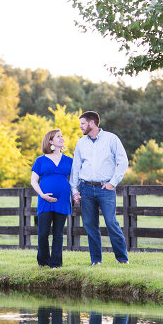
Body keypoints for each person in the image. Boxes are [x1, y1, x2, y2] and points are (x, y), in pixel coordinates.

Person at [69, 111, 130, 265]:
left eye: (82, 123)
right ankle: (96, 261)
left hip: (106, 189)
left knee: (111, 222)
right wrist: (75, 190)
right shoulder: (81, 143)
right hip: (86, 188)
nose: (80, 126)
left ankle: (122, 259)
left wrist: (113, 182)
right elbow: (76, 168)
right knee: (90, 225)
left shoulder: (111, 139)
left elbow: (123, 162)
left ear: (92, 123)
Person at [31, 129, 73, 267]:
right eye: (58, 136)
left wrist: (75, 194)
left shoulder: (69, 160)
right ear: (50, 141)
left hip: (62, 201)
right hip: (44, 200)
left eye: (62, 136)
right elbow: (33, 181)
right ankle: (43, 262)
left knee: (58, 234)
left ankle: (56, 263)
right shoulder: (40, 160)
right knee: (43, 233)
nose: (62, 138)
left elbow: (73, 180)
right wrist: (42, 195)